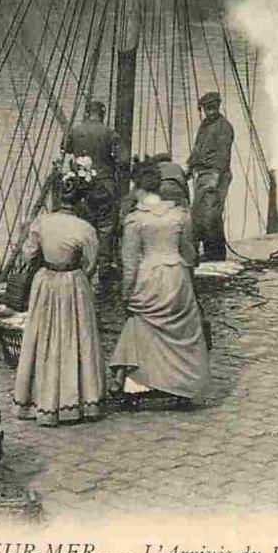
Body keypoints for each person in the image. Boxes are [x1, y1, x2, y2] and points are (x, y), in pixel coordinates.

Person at [110, 163, 210, 409]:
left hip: (148, 278)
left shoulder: (135, 221)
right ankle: (182, 384)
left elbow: (130, 262)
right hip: (176, 276)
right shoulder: (180, 215)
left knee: (140, 325)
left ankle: (137, 383)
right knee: (181, 331)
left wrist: (125, 292)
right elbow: (188, 253)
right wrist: (187, 278)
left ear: (138, 189)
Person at [13, 175, 108, 425]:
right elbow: (91, 262)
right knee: (74, 338)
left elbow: (28, 253)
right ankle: (77, 401)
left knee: (42, 338)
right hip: (72, 284)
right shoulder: (85, 228)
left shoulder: (42, 222)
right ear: (81, 200)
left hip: (45, 282)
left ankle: (37, 400)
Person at [62, 101, 122, 272]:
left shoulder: (75, 131)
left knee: (82, 223)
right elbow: (121, 160)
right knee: (106, 226)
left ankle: (82, 264)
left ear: (87, 113)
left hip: (80, 186)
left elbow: (65, 148)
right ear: (102, 114)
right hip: (105, 185)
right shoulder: (110, 134)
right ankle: (104, 266)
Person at [187, 92, 234, 262]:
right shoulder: (205, 126)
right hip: (203, 174)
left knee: (210, 215)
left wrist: (215, 176)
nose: (210, 111)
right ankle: (208, 253)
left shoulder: (223, 126)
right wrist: (189, 167)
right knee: (199, 214)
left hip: (216, 174)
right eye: (207, 109)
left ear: (218, 106)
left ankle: (215, 255)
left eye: (212, 108)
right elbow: (197, 150)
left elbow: (223, 154)